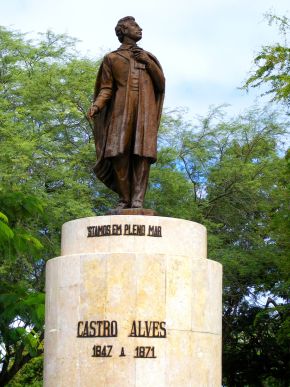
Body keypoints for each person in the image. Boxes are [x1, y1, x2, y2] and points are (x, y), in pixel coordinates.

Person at [88, 16, 165, 209]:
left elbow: (161, 84)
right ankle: (124, 198)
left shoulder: (148, 56)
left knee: (142, 154)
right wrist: (97, 105)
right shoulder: (112, 58)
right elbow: (106, 88)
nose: (140, 29)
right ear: (123, 31)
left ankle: (138, 200)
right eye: (135, 26)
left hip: (144, 112)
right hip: (121, 112)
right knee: (118, 153)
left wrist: (147, 62)